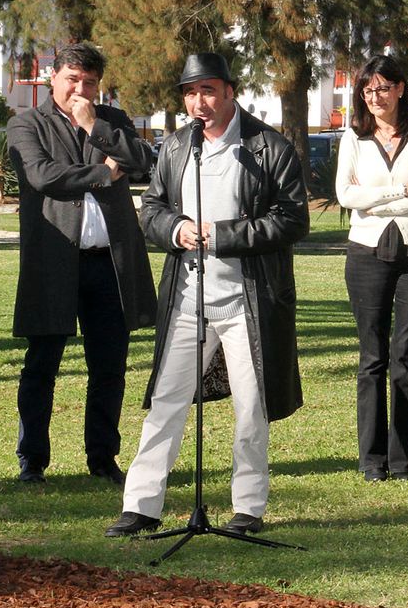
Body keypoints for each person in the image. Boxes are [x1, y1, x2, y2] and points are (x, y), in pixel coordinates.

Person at [106, 53, 309, 536]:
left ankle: (248, 507)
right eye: (191, 93)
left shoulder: (268, 147)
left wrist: (223, 235)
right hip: (186, 298)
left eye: (209, 91)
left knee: (251, 404)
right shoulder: (177, 147)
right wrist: (175, 230)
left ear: (230, 92)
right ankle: (141, 505)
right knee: (165, 400)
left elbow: (292, 219)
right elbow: (152, 208)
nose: (200, 102)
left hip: (249, 300)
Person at [7, 42, 157, 485]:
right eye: (72, 79)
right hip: (53, 260)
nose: (80, 89)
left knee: (108, 365)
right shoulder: (26, 123)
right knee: (42, 363)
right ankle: (32, 461)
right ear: (53, 77)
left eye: (89, 82)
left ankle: (102, 457)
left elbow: (145, 163)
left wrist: (96, 127)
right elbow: (42, 176)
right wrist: (103, 174)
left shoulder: (111, 121)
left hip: (109, 261)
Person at [335, 54, 408, 482]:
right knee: (372, 357)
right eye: (367, 90)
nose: (375, 97)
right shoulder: (354, 137)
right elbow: (346, 195)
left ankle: (402, 461)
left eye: (383, 87)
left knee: (406, 356)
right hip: (366, 253)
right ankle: (371, 460)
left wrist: (379, 196)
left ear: (401, 88)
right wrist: (406, 187)